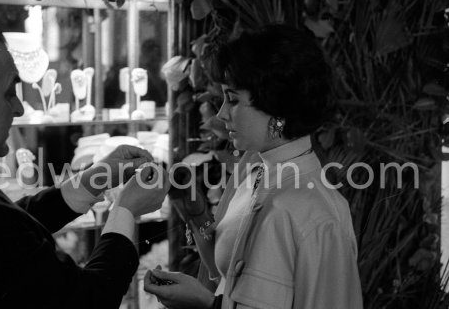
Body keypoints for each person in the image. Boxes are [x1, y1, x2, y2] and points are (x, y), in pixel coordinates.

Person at [0, 15, 168, 308]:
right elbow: (88, 301)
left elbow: (4, 234)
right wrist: (126, 209)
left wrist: (93, 180)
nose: (17, 108)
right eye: (9, 92)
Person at [144, 25, 363, 308]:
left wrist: (205, 303)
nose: (221, 113)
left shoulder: (318, 216)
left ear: (275, 106)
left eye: (232, 100)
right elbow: (230, 274)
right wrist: (195, 214)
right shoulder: (253, 170)